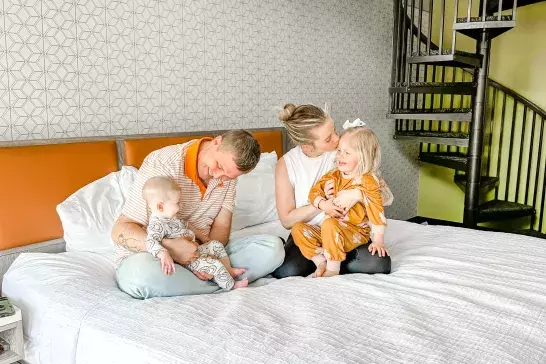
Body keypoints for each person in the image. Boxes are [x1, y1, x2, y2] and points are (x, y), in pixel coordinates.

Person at [113, 130, 285, 299]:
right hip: (155, 258)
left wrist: (206, 258)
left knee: (274, 249)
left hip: (201, 252)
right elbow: (120, 230)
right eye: (219, 166)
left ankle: (207, 280)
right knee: (140, 276)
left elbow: (221, 227)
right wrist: (172, 250)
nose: (218, 176)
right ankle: (222, 283)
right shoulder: (163, 163)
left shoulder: (228, 176)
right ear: (217, 141)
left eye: (227, 177)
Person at [272, 104, 391, 278]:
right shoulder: (287, 164)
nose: (336, 139)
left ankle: (334, 261)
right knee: (287, 271)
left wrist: (357, 194)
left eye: (335, 130)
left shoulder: (345, 149)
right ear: (307, 146)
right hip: (314, 233)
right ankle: (326, 261)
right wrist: (322, 204)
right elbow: (287, 220)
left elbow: (385, 196)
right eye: (328, 139)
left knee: (379, 263)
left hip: (347, 230)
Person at [140, 176, 248, 290]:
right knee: (215, 265)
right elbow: (151, 241)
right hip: (188, 261)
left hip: (195, 250)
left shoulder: (170, 217)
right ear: (160, 206)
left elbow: (186, 225)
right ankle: (231, 285)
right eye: (177, 203)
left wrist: (201, 236)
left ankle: (228, 270)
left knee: (216, 245)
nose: (181, 205)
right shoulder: (156, 225)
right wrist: (163, 254)